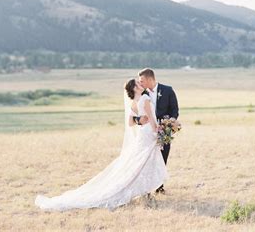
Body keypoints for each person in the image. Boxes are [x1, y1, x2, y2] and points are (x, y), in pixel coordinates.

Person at [34, 78, 167, 211]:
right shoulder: (145, 99)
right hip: (148, 134)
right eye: (138, 84)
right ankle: (143, 192)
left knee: (139, 163)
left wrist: (141, 122)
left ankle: (143, 192)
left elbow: (131, 123)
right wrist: (160, 132)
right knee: (143, 163)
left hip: (143, 135)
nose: (141, 85)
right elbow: (151, 119)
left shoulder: (134, 103)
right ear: (134, 89)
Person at [137, 68, 179, 194]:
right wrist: (139, 120)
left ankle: (159, 186)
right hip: (147, 133)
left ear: (150, 79)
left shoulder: (167, 90)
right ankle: (146, 187)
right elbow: (136, 112)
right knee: (147, 159)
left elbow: (174, 110)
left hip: (164, 131)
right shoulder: (141, 93)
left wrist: (169, 124)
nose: (140, 84)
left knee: (162, 157)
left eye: (142, 81)